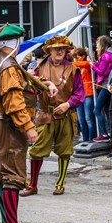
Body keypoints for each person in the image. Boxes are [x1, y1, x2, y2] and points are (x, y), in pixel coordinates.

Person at [0, 24, 55, 223]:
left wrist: (45, 84)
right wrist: (28, 127)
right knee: (12, 177)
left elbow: (25, 79)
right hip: (9, 124)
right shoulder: (8, 65)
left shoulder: (3, 60)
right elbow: (14, 101)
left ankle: (9, 222)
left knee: (5, 175)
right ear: (15, 42)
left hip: (2, 122)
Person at [22, 35, 84, 197]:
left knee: (65, 150)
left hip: (65, 115)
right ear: (49, 50)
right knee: (36, 150)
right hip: (44, 113)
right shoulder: (40, 67)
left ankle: (60, 183)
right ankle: (33, 185)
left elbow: (79, 93)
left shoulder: (73, 69)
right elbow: (32, 87)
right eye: (56, 49)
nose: (60, 52)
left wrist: (67, 104)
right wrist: (31, 79)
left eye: (63, 49)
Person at [92, 35, 112, 142]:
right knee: (106, 109)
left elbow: (101, 72)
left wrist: (92, 65)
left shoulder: (106, 56)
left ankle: (104, 133)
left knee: (97, 110)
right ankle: (110, 132)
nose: (96, 47)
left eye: (97, 44)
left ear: (102, 45)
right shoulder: (110, 55)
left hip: (105, 85)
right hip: (106, 84)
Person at [71, 47, 96, 142]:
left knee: (88, 118)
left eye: (77, 57)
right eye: (75, 58)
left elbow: (86, 64)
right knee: (81, 120)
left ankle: (91, 139)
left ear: (83, 56)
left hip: (88, 93)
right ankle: (85, 139)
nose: (76, 60)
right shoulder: (76, 66)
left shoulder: (87, 64)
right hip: (78, 94)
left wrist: (72, 63)